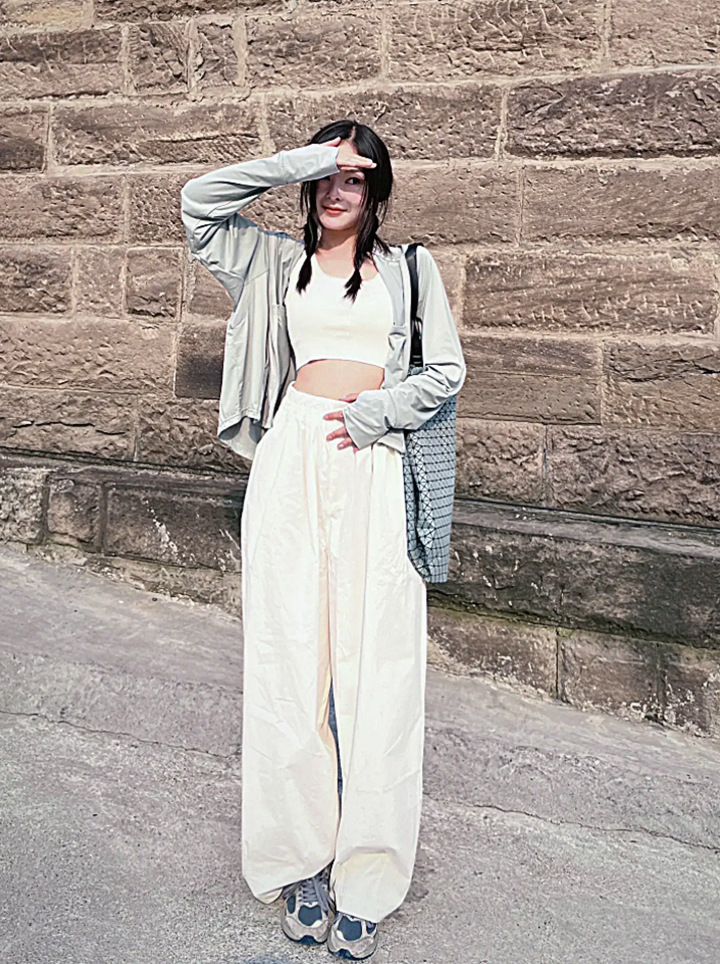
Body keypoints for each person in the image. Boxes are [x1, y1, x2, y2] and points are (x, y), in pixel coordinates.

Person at [180, 120, 467, 960]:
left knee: (381, 669)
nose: (340, 191)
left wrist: (377, 414)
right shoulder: (272, 261)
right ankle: (300, 863)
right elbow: (199, 202)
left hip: (376, 462)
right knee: (288, 660)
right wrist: (304, 160)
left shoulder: (410, 269)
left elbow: (445, 369)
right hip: (292, 459)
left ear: (377, 192)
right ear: (309, 182)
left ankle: (367, 878)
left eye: (356, 177)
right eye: (329, 177)